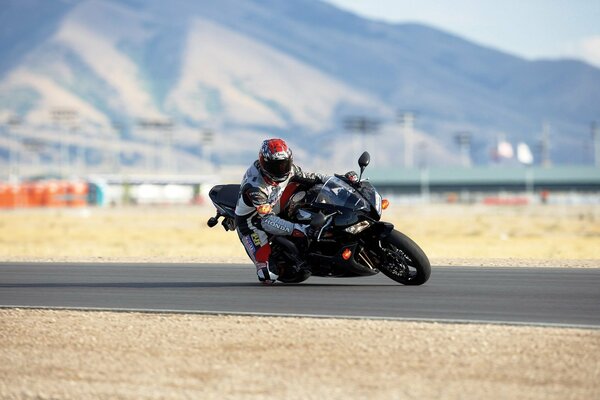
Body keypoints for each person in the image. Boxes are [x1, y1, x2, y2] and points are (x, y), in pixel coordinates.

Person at [235, 138, 325, 284]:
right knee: (267, 276)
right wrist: (299, 229)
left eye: (285, 164)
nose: (282, 169)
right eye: (276, 166)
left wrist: (340, 179)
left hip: (274, 206)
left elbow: (316, 178)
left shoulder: (290, 170)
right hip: (252, 223)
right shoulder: (255, 188)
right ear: (264, 163)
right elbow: (267, 221)